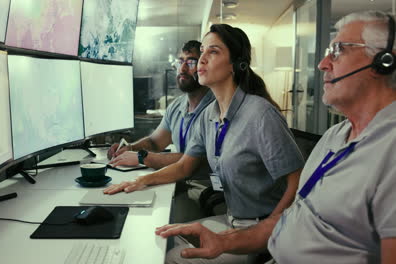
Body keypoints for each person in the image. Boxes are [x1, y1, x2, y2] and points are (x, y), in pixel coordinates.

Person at [155, 10, 396, 264]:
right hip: (261, 238)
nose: (322, 64)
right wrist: (223, 241)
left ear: (384, 61)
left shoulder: (388, 152)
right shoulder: (335, 135)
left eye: (338, 50)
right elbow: (292, 216)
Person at [105, 23, 304, 264]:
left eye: (213, 51)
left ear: (235, 65)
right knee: (157, 238)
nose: (202, 59)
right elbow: (184, 166)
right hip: (232, 221)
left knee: (170, 259)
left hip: (263, 232)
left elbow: (298, 182)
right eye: (203, 50)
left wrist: (267, 229)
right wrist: (138, 181)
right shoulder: (210, 115)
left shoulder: (260, 115)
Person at [107, 40, 216, 222]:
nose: (182, 69)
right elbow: (155, 142)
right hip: (177, 183)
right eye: (180, 61)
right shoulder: (177, 106)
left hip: (203, 188)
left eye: (190, 62)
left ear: (204, 66)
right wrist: (129, 148)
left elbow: (195, 162)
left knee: (154, 222)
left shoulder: (216, 107)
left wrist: (142, 157)